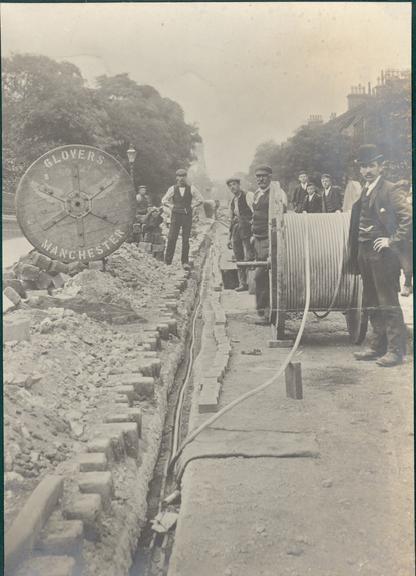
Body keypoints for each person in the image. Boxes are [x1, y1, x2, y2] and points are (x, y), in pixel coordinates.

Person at [349, 145, 412, 367]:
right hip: (365, 253)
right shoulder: (364, 191)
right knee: (372, 301)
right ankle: (378, 346)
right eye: (363, 166)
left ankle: (396, 351)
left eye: (371, 166)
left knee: (388, 301)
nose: (367, 170)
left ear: (380, 167)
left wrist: (391, 241)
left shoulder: (391, 189)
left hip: (384, 255)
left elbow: (408, 220)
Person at [248, 165, 287, 325]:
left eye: (263, 176)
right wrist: (253, 235)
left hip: (270, 240)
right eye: (258, 176)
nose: (260, 179)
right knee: (262, 275)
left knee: (262, 276)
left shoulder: (278, 193)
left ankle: (266, 313)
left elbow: (281, 214)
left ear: (270, 177)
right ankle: (264, 311)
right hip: (257, 239)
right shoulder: (257, 194)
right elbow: (255, 216)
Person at [162, 168, 204, 270]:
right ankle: (168, 261)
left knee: (186, 239)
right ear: (176, 178)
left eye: (183, 176)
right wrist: (172, 207)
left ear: (186, 177)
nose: (181, 178)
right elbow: (164, 200)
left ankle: (184, 262)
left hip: (187, 215)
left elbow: (201, 199)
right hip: (176, 215)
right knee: (172, 237)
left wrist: (193, 206)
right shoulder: (172, 188)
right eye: (179, 176)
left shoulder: (192, 188)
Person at [226, 177, 254, 291]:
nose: (232, 187)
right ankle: (242, 283)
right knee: (238, 256)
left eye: (234, 184)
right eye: (230, 186)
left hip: (248, 230)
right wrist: (229, 238)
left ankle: (251, 283)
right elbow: (231, 220)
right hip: (237, 231)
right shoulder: (232, 201)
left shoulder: (248, 195)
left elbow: (255, 213)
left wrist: (253, 229)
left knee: (249, 256)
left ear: (239, 185)